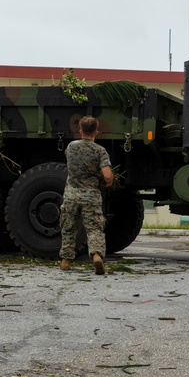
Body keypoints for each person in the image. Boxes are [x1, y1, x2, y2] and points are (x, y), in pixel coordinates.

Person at [59, 115, 114, 275]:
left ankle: (66, 260)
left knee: (68, 227)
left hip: (71, 195)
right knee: (94, 228)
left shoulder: (71, 147)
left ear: (80, 130)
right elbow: (107, 175)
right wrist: (109, 182)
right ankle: (96, 255)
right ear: (96, 131)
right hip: (91, 196)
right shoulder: (100, 151)